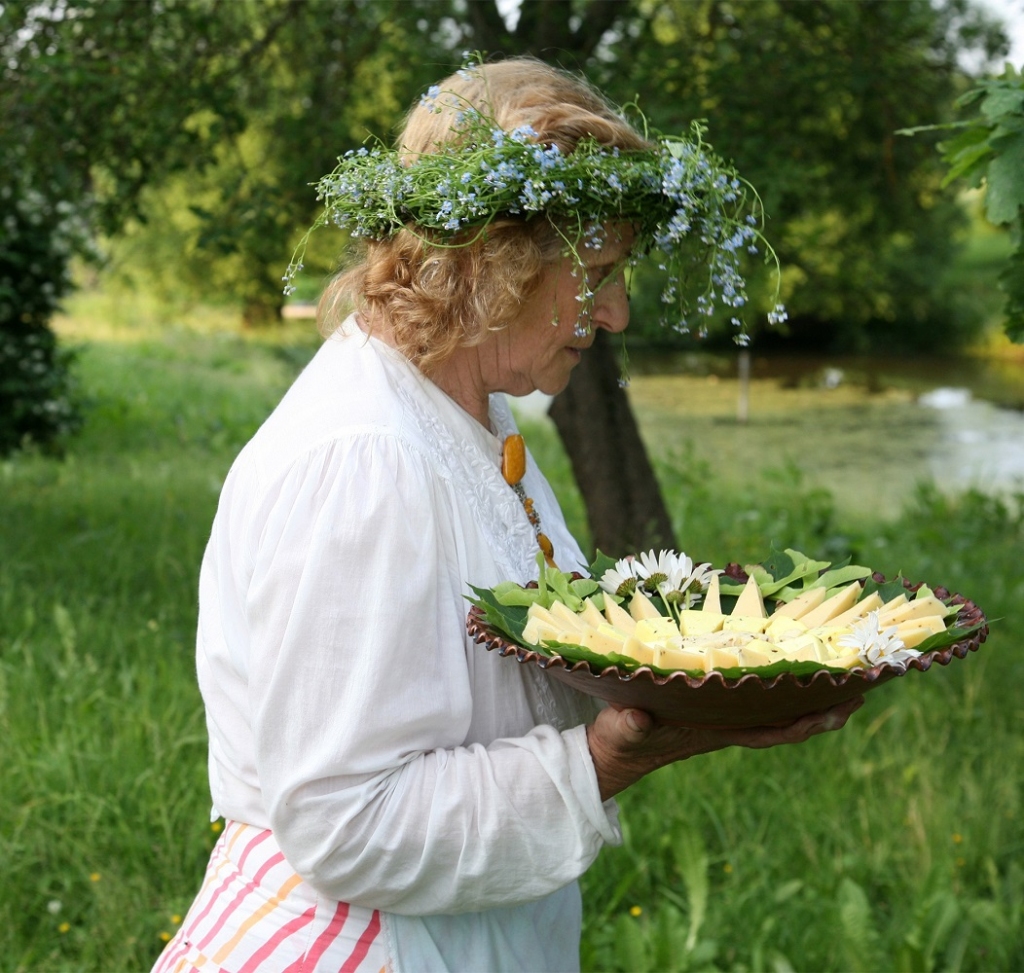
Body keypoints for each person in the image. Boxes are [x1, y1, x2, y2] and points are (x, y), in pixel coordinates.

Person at [152, 56, 862, 973]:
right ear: (491, 260)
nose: (615, 313)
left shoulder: (464, 413)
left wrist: (696, 664)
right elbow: (347, 824)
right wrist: (610, 758)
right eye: (596, 269)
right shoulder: (364, 458)